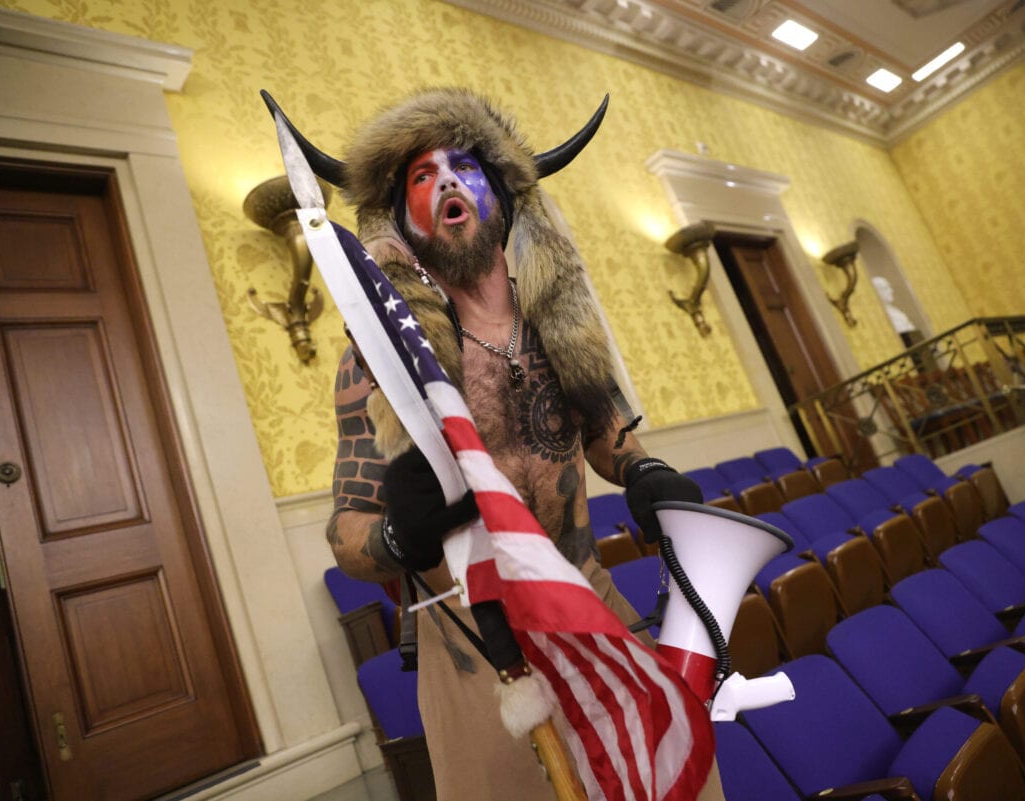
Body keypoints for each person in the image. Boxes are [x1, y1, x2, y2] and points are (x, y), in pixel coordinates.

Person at [283, 88, 723, 800]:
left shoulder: (559, 322)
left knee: (674, 780)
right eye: (421, 177)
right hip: (473, 652)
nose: (447, 182)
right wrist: (398, 536)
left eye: (464, 167)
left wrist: (646, 470)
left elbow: (611, 435)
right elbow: (347, 532)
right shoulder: (381, 358)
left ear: (503, 197)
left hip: (591, 606)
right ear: (401, 219)